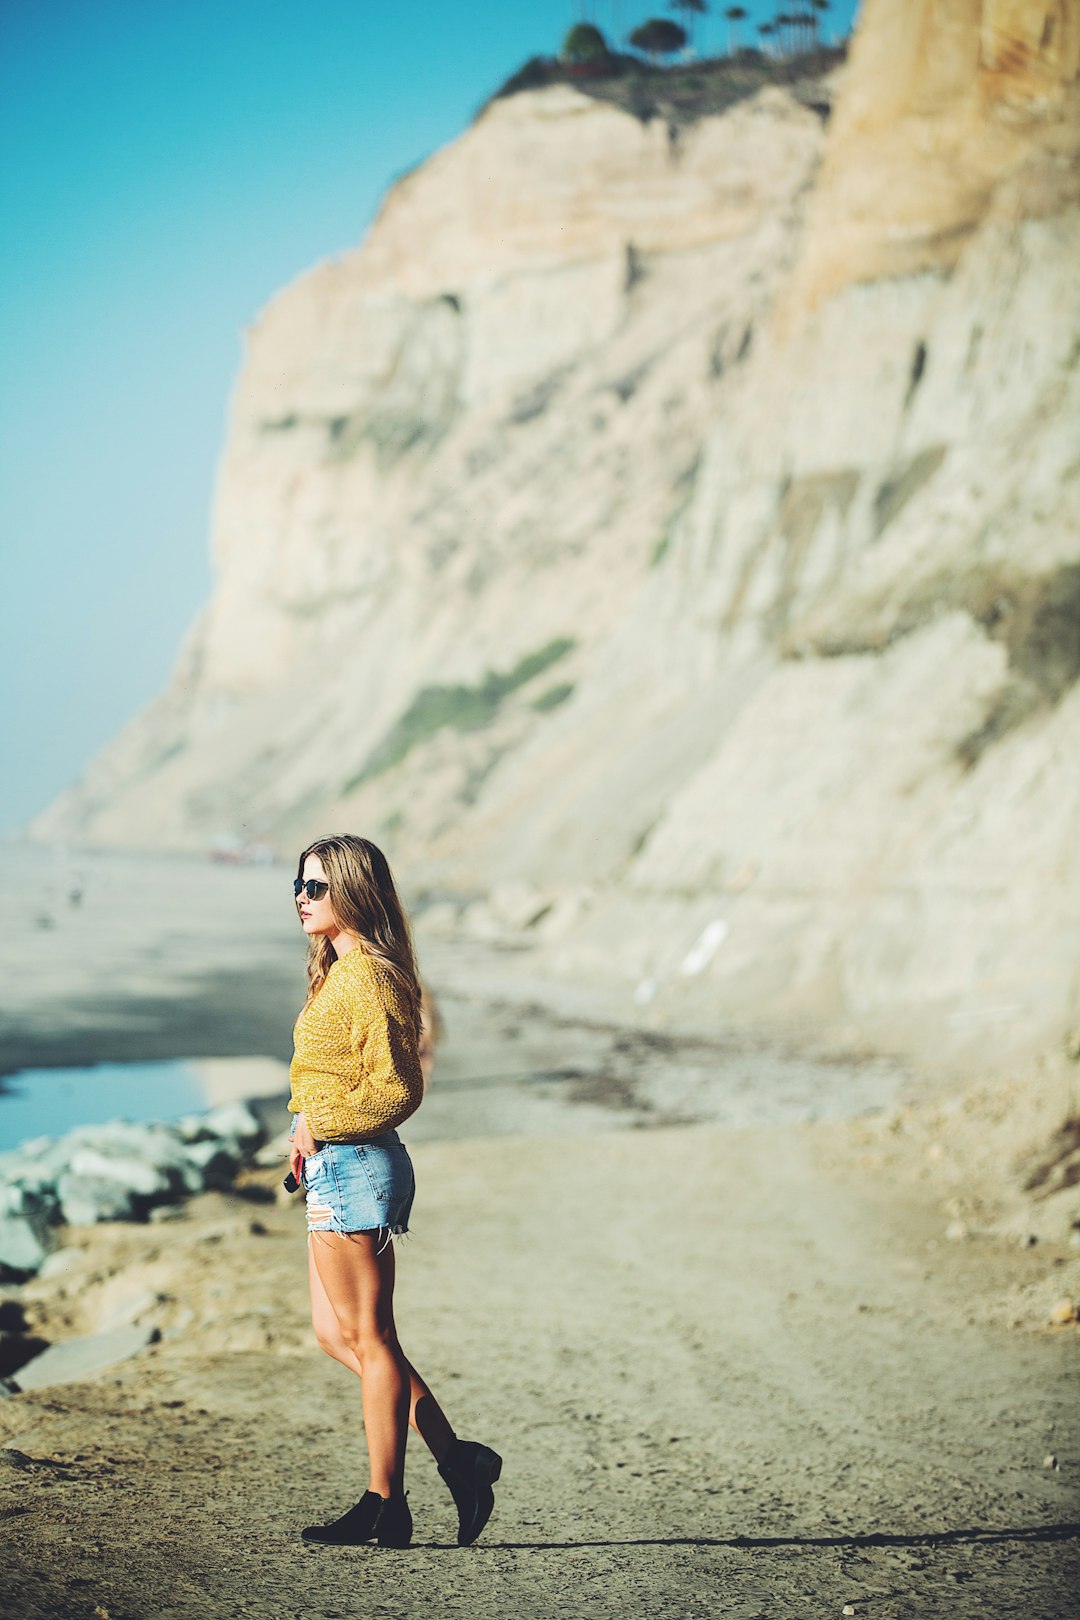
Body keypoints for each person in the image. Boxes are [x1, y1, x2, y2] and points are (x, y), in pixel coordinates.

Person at [287, 833, 501, 1549]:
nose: (302, 897)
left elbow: (399, 1088)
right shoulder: (338, 972)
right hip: (330, 1166)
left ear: (352, 893)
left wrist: (320, 1124)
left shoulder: (369, 976)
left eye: (317, 887)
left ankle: (386, 1504)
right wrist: (301, 1125)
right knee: (337, 1334)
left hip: (356, 1167)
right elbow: (328, 1074)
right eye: (300, 883)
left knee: (373, 1341)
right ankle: (458, 1460)